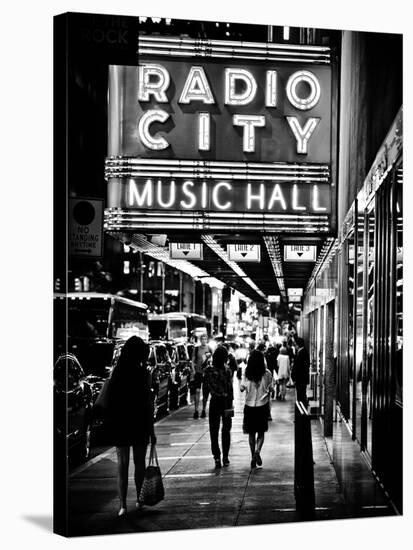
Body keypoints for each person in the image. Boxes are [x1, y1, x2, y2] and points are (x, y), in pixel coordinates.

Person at [105, 336, 156, 517]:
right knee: (139, 464)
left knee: (122, 465)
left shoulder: (117, 372)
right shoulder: (144, 373)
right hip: (139, 421)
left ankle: (122, 506)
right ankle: (139, 500)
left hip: (121, 421)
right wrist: (152, 430)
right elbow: (149, 404)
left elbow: (110, 399)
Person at [240, 350, 274, 469]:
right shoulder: (267, 373)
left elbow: (241, 388)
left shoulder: (246, 372)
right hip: (262, 406)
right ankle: (257, 452)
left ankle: (252, 456)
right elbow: (271, 388)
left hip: (249, 406)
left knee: (251, 433)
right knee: (261, 432)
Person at [205, 346, 234, 468]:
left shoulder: (209, 370)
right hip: (226, 402)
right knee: (226, 430)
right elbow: (230, 387)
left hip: (215, 402)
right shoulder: (227, 370)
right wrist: (230, 401)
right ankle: (225, 457)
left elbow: (208, 387)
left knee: (214, 431)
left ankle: (217, 457)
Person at [191, 334, 212, 418]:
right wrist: (194, 371)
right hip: (198, 373)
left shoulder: (209, 349)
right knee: (197, 391)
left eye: (205, 339)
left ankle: (203, 410)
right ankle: (196, 410)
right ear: (200, 340)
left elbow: (211, 360)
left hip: (206, 373)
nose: (204, 340)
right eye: (202, 339)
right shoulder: (196, 349)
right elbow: (192, 361)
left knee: (205, 392)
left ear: (207, 340)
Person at [291, 337, 310, 407]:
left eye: (295, 344)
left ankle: (303, 410)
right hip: (300, 379)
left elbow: (301, 368)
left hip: (301, 379)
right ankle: (302, 408)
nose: (295, 346)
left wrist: (295, 377)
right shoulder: (301, 352)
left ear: (298, 344)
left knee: (301, 395)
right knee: (301, 395)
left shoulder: (303, 353)